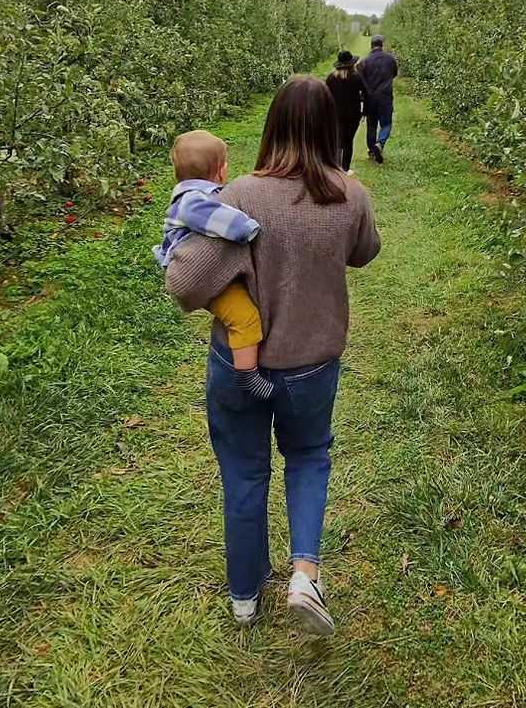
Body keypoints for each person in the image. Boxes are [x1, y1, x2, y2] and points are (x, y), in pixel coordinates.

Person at [166, 76, 381, 635]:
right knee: (307, 457)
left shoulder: (237, 196)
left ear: (272, 125)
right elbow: (365, 253)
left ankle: (244, 596)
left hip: (241, 366)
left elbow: (185, 284)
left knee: (243, 470)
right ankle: (305, 574)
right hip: (312, 364)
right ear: (331, 127)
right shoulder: (349, 193)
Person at [153, 130, 273, 399]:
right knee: (244, 318)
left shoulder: (194, 195)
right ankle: (247, 377)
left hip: (204, 273)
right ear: (220, 170)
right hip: (197, 276)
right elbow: (223, 220)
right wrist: (250, 227)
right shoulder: (193, 201)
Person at [357, 34, 398, 164]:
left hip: (370, 98)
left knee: (371, 125)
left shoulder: (364, 62)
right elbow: (394, 74)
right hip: (385, 97)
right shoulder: (390, 59)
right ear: (382, 45)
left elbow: (360, 80)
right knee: (386, 124)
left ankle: (371, 151)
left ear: (371, 46)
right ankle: (379, 144)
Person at [325, 49, 365, 174]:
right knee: (348, 141)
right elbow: (365, 93)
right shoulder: (356, 77)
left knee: (337, 140)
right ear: (352, 64)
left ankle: (336, 167)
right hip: (353, 115)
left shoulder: (331, 78)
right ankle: (345, 168)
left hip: (335, 114)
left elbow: (325, 94)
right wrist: (364, 111)